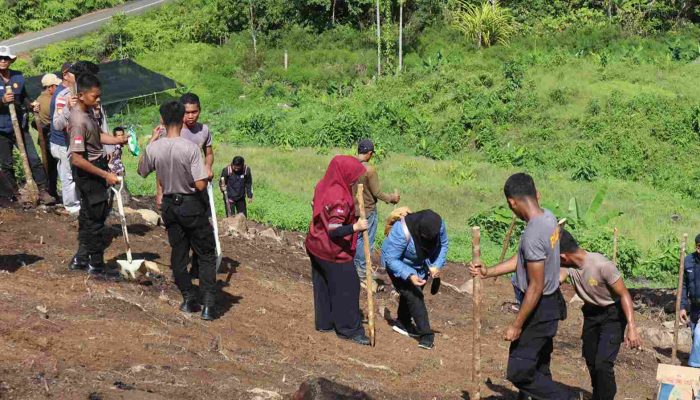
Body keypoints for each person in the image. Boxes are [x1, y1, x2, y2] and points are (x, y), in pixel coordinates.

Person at [469, 173, 573, 400]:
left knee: (519, 372)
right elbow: (524, 259)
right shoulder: (549, 218)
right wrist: (488, 272)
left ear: (512, 202)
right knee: (539, 368)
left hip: (539, 307)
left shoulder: (534, 233)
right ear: (537, 194)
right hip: (551, 304)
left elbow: (535, 286)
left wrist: (517, 324)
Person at [138, 101, 218, 321]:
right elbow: (200, 184)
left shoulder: (155, 147)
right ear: (183, 117)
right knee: (205, 254)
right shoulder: (190, 148)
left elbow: (142, 170)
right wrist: (202, 178)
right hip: (191, 204)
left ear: (162, 120)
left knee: (178, 254)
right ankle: (209, 304)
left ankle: (187, 297)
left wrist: (152, 141)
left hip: (170, 206)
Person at [558, 229, 642, 400]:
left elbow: (625, 294)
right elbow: (557, 278)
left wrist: (632, 327)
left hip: (612, 315)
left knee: (603, 364)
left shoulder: (602, 265)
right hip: (591, 313)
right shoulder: (568, 267)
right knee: (591, 359)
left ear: (563, 256)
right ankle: (599, 394)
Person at [305, 155, 370, 346]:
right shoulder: (339, 197)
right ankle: (348, 329)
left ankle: (324, 322)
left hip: (315, 244)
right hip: (331, 251)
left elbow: (314, 205)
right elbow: (334, 231)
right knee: (348, 286)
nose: (356, 180)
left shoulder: (323, 185)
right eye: (354, 176)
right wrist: (356, 227)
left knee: (323, 283)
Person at [67, 73, 127, 275]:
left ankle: (81, 259)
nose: (98, 100)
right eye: (94, 96)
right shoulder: (77, 121)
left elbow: (97, 135)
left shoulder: (89, 113)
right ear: (81, 95)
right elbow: (76, 158)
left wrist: (117, 140)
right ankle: (97, 265)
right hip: (89, 174)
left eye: (99, 95)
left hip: (96, 168)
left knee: (88, 216)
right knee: (95, 220)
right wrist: (104, 175)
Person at [152, 92, 213, 279]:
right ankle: (181, 271)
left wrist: (208, 167)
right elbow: (160, 164)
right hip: (176, 190)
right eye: (187, 112)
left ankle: (198, 268)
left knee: (201, 232)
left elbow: (209, 153)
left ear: (199, 111)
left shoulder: (204, 131)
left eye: (195, 112)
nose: (191, 116)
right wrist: (159, 191)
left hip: (198, 188)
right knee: (179, 236)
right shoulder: (169, 131)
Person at [381, 209, 448, 350]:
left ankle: (402, 322)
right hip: (398, 263)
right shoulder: (401, 231)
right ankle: (426, 334)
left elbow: (443, 245)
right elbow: (391, 259)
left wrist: (436, 265)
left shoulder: (438, 225)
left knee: (413, 290)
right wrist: (409, 274)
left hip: (421, 264)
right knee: (414, 294)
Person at [0, 46, 55, 204]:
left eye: (6, 58)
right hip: (1, 129)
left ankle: (43, 191)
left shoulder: (18, 77)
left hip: (20, 125)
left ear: (11, 60)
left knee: (33, 158)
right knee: (7, 163)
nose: (3, 61)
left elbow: (23, 96)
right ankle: (14, 194)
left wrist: (31, 104)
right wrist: (2, 101)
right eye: (0, 58)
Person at [353, 139, 400, 283]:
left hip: (353, 209)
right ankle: (362, 273)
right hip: (368, 210)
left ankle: (356, 269)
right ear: (369, 153)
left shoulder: (351, 166)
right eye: (371, 153)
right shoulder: (369, 170)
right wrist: (392, 198)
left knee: (356, 239)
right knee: (366, 241)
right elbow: (377, 193)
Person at [50, 62, 82, 214]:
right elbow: (58, 124)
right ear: (66, 75)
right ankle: (72, 207)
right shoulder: (61, 95)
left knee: (76, 172)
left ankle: (79, 203)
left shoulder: (77, 90)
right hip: (62, 142)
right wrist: (69, 108)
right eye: (75, 72)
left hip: (74, 140)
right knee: (67, 174)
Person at [34, 73, 62, 199]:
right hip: (51, 137)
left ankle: (52, 191)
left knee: (52, 167)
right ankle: (51, 191)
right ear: (50, 87)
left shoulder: (41, 99)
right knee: (52, 167)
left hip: (48, 137)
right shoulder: (48, 100)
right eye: (56, 85)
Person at [680, 234, 700, 363]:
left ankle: (694, 367)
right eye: (699, 247)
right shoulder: (688, 261)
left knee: (699, 334)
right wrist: (682, 307)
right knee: (694, 335)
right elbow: (683, 286)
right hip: (694, 306)